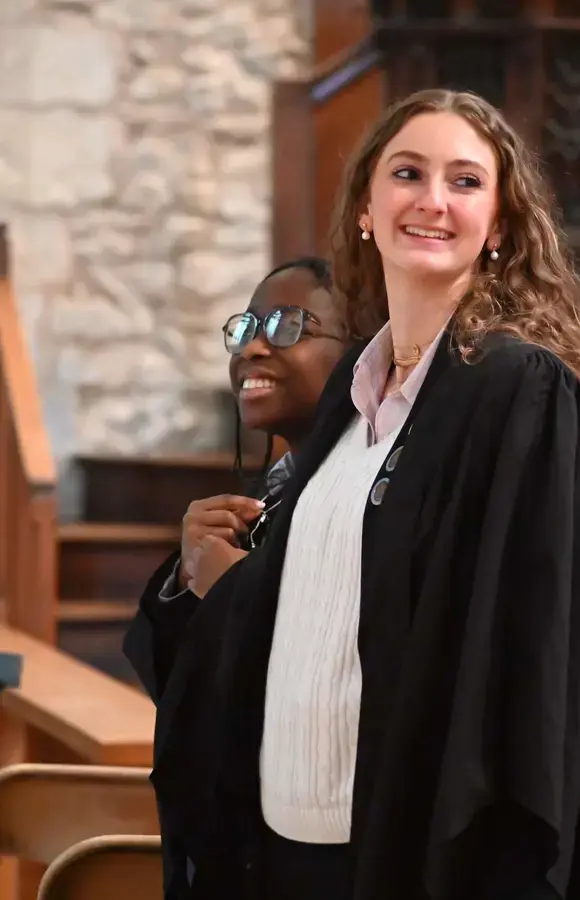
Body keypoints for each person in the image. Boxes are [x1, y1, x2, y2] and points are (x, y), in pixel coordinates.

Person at [132, 89, 580, 900]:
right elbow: (307, 608)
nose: (433, 200)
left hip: (410, 856)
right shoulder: (349, 399)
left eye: (467, 181)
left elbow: (527, 642)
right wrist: (204, 581)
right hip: (280, 852)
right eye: (408, 173)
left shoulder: (515, 389)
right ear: (368, 210)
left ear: (503, 226)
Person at [124, 255, 349, 700]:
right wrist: (186, 583)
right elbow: (182, 699)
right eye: (246, 328)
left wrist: (234, 592)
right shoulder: (266, 498)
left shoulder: (365, 498)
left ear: (361, 349)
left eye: (289, 326)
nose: (251, 349)